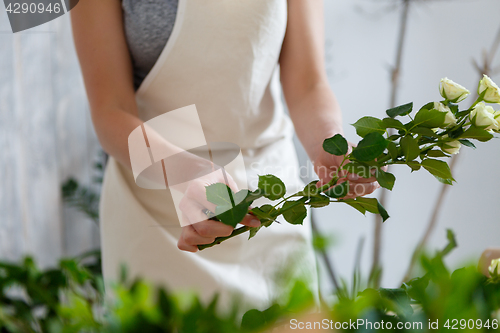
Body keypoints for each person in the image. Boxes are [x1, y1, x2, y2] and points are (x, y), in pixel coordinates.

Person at [71, 0, 381, 310]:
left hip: (268, 202)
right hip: (154, 207)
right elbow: (110, 110)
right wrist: (186, 172)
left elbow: (308, 83)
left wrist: (329, 144)